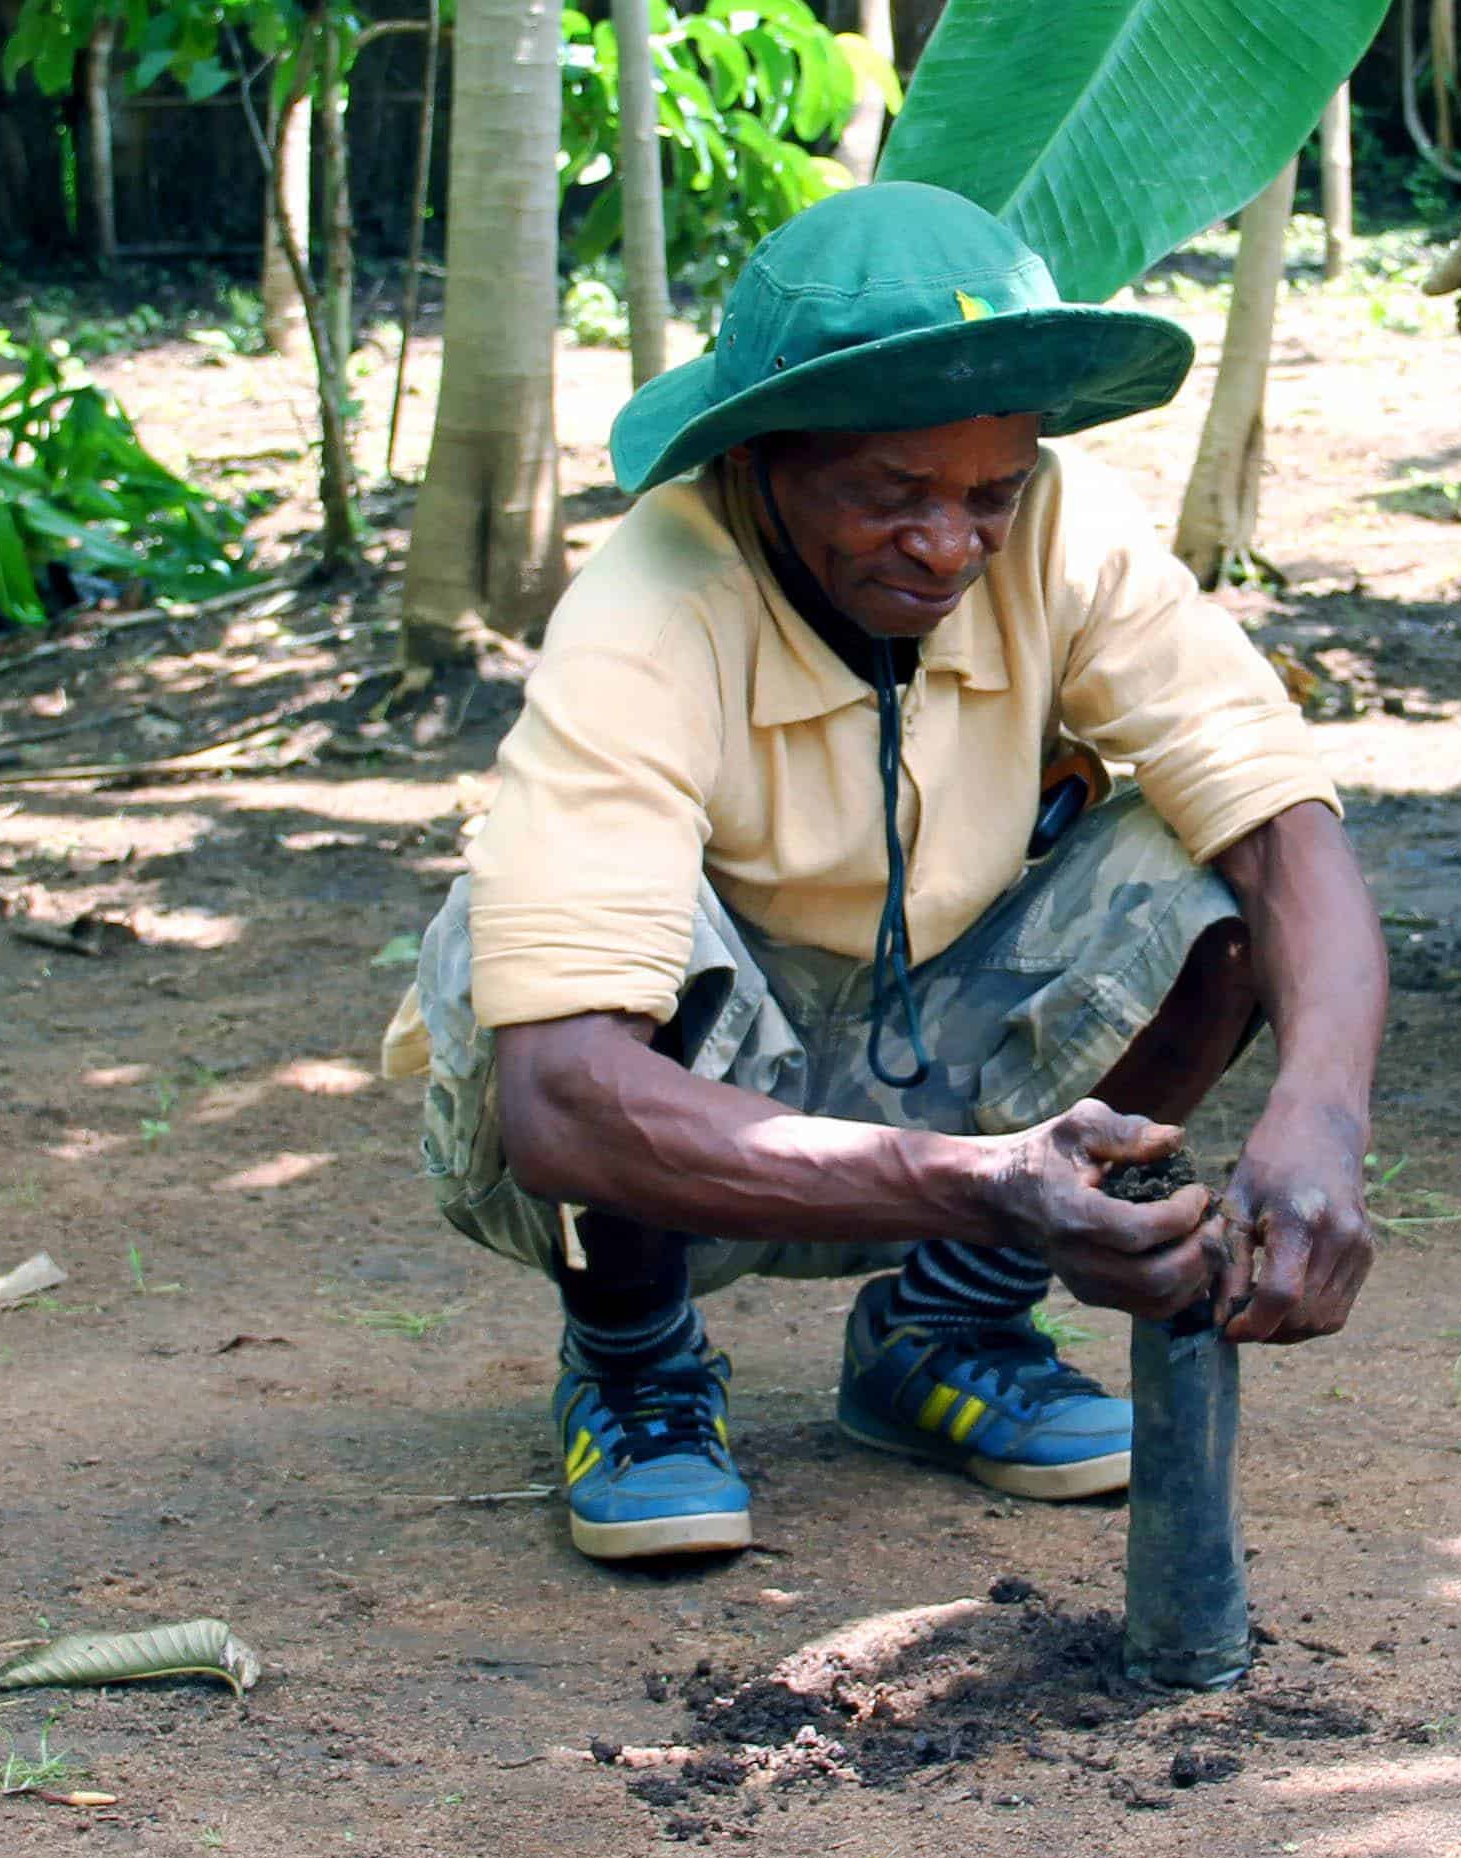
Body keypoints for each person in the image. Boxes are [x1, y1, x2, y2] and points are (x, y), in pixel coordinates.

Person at [382, 182, 1385, 1564]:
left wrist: (1322, 1118)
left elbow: (1285, 831)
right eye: (890, 493)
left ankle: (947, 1327)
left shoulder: (1063, 532)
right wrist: (985, 1180)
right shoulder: (649, 607)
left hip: (938, 1048)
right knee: (551, 941)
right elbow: (560, 1099)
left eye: (990, 492)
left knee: (1217, 882)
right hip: (686, 1113)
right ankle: (634, 1362)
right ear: (764, 458)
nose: (951, 543)